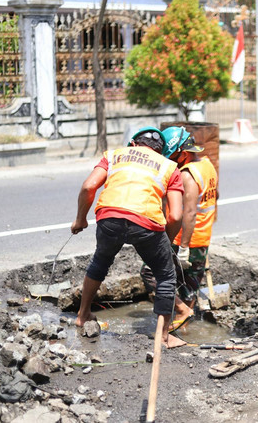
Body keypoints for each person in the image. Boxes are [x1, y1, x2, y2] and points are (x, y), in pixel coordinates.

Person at [71, 126, 186, 348]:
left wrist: (80, 220)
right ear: (159, 151)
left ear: (133, 144)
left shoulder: (114, 155)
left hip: (109, 217)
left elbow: (88, 187)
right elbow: (176, 215)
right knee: (165, 275)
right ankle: (162, 337)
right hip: (146, 223)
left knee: (100, 262)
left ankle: (83, 315)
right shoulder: (169, 167)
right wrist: (167, 245)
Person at [142, 126, 218, 333]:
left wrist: (183, 247)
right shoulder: (208, 165)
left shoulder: (188, 175)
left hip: (185, 239)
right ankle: (184, 326)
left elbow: (190, 213)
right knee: (189, 286)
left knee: (150, 273)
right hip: (203, 237)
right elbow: (214, 197)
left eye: (173, 157)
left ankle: (180, 313)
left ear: (183, 153)